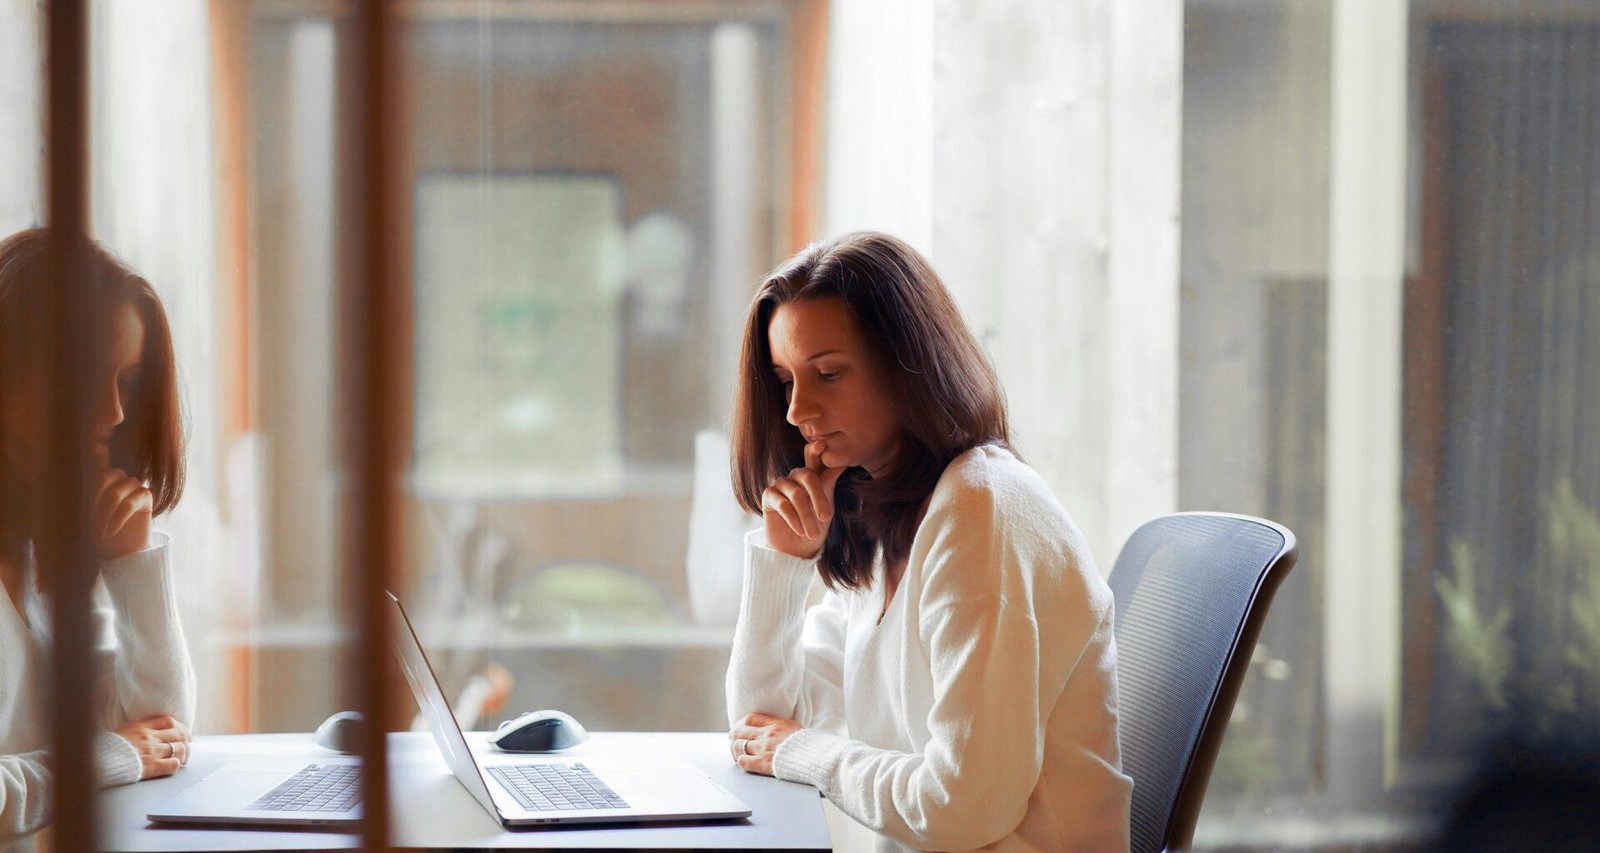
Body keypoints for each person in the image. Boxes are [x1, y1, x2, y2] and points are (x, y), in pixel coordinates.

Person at [724, 232, 1133, 851]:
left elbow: (962, 808)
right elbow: (759, 729)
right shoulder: (881, 518)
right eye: (785, 381)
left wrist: (801, 752)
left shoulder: (982, 510)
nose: (796, 410)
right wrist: (784, 563)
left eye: (828, 373)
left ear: (906, 366)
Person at [0, 229, 197, 847]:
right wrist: (101, 760)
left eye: (127, 382)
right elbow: (127, 748)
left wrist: (133, 561)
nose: (113, 413)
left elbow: (160, 732)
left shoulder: (37, 553)